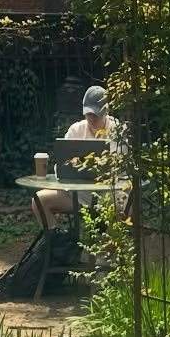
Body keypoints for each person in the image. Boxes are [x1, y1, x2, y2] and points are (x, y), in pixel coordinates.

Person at [32, 84, 122, 233]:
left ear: (106, 112)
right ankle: (58, 241)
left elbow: (121, 168)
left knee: (124, 204)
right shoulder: (76, 130)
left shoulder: (118, 130)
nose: (91, 118)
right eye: (88, 114)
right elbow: (61, 167)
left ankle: (107, 246)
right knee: (39, 200)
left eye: (95, 114)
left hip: (108, 193)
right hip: (77, 194)